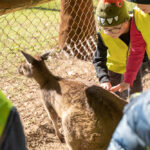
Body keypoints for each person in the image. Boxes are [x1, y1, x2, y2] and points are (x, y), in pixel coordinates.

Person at [93, 0, 143, 99]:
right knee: (114, 97)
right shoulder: (103, 35)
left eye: (115, 28)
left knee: (136, 95)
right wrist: (104, 79)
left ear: (127, 21)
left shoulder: (137, 27)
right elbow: (98, 59)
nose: (111, 33)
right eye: (106, 29)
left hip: (135, 68)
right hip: (113, 69)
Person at [110, 0, 150, 93]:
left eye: (143, 1)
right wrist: (128, 79)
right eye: (137, 1)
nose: (139, 5)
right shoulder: (138, 15)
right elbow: (136, 50)